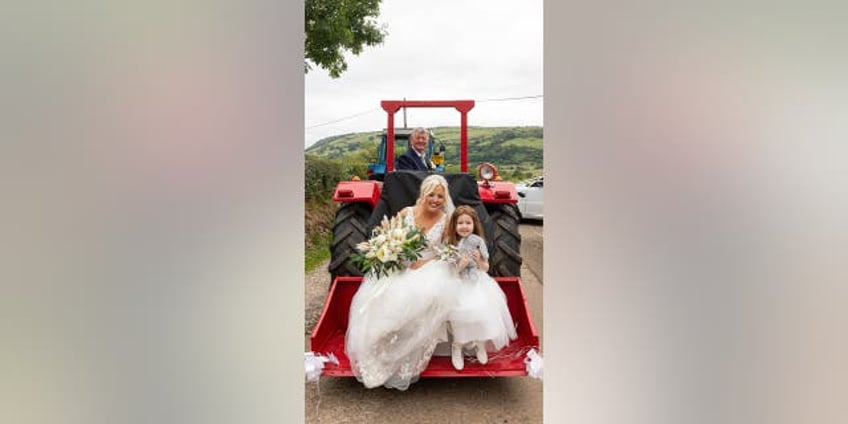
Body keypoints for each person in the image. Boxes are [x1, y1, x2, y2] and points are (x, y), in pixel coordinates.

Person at [345, 174, 457, 390]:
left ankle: (404, 348)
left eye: (440, 197)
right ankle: (381, 341)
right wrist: (393, 256)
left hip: (429, 266)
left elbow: (445, 251)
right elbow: (390, 238)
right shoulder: (406, 213)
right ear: (423, 194)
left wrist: (425, 263)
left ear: (445, 199)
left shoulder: (446, 220)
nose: (435, 200)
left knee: (420, 294)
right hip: (400, 264)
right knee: (380, 293)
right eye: (431, 195)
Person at [443, 206, 518, 370]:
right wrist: (460, 265)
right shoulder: (451, 244)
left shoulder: (478, 242)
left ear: (474, 224)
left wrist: (478, 261)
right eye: (460, 223)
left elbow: (485, 268)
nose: (464, 226)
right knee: (460, 316)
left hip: (478, 282)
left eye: (468, 222)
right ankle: (458, 346)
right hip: (459, 284)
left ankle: (480, 343)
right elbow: (450, 271)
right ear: (454, 225)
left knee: (482, 313)